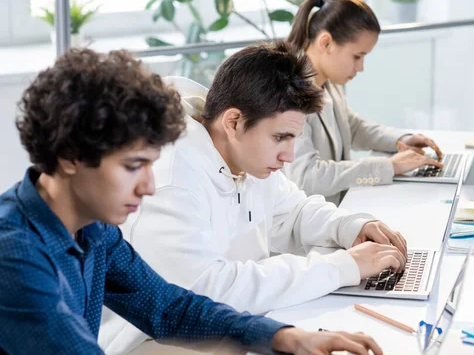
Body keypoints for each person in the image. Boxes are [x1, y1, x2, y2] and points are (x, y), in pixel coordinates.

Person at [0, 48, 383, 355]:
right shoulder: (14, 256)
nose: (149, 187)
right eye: (134, 166)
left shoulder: (93, 228)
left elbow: (169, 307)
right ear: (70, 157)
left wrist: (282, 337)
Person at [98, 41, 407, 354]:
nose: (288, 156)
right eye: (280, 138)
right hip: (153, 341)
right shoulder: (172, 179)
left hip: (233, 320)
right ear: (233, 122)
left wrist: (348, 226)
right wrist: (339, 268)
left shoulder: (247, 158)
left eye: (293, 139)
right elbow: (208, 291)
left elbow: (294, 212)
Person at [283, 0, 444, 205]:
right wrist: (389, 167)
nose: (360, 68)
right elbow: (306, 177)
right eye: (357, 56)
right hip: (307, 229)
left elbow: (354, 127)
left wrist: (403, 139)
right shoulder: (290, 95)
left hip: (334, 215)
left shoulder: (328, 82)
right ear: (326, 42)